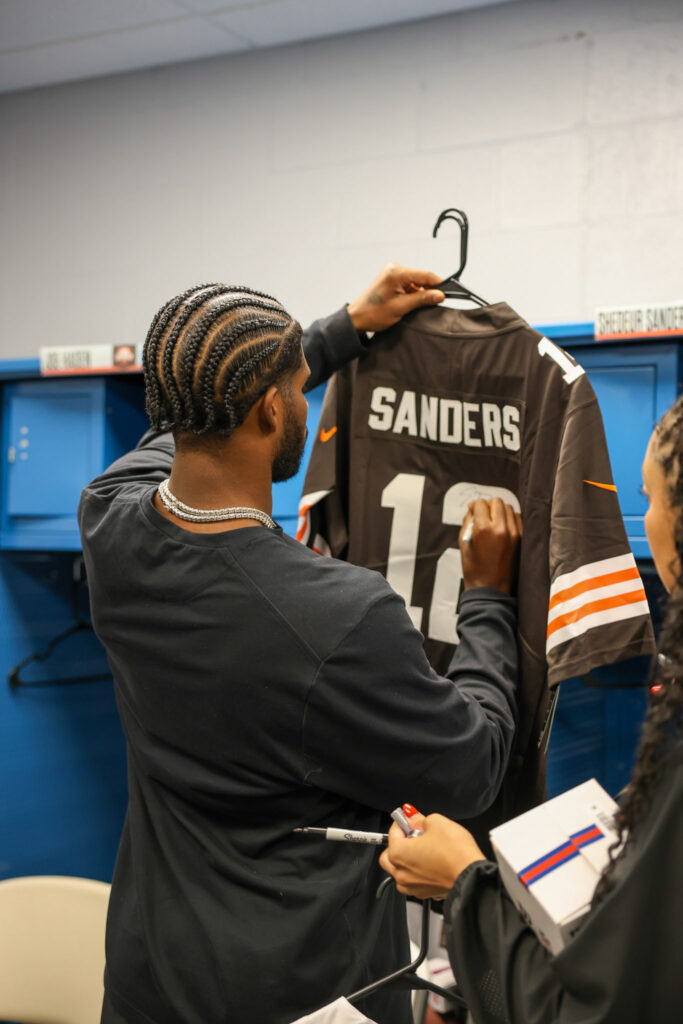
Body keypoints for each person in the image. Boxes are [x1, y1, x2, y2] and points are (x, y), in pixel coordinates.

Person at [78, 264, 523, 1024]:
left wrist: (345, 328)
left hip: (149, 982)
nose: (304, 397)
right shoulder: (340, 615)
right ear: (268, 409)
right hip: (301, 997)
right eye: (296, 387)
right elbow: (472, 765)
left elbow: (180, 428)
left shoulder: (109, 523)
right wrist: (486, 596)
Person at [379, 396, 683, 1024]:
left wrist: (464, 881)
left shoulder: (561, 391)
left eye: (650, 497)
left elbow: (579, 1012)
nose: (645, 515)